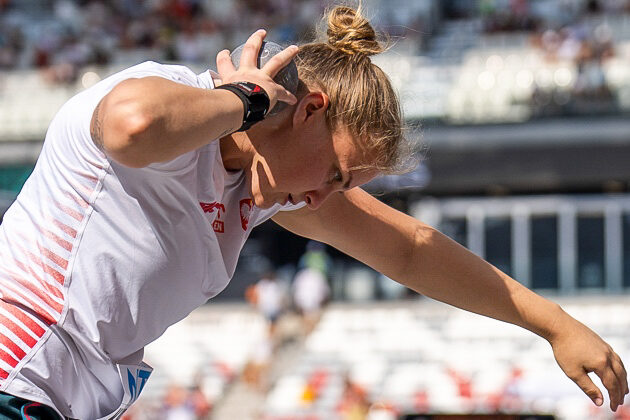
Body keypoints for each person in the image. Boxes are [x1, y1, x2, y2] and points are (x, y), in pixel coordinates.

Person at [0, 4, 626, 419]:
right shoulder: (174, 100)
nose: (326, 198)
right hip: (15, 368)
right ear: (306, 109)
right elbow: (131, 127)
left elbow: (409, 249)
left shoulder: (258, 192)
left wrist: (555, 325)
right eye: (334, 172)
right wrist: (245, 100)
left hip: (59, 398)